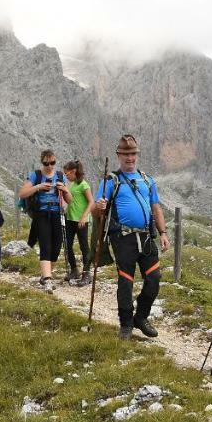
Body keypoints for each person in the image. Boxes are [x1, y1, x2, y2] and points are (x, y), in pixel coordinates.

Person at [95, 135, 168, 339]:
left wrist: (163, 233)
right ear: (119, 155)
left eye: (133, 154)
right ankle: (126, 324)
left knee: (154, 279)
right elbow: (96, 208)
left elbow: (156, 207)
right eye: (126, 154)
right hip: (123, 238)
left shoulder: (147, 180)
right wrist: (98, 207)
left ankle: (141, 317)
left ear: (137, 155)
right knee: (126, 282)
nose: (130, 158)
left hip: (146, 237)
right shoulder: (111, 181)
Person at [18, 149, 71, 289]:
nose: (49, 166)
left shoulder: (60, 176)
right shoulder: (36, 175)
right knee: (45, 245)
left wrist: (64, 189)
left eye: (52, 163)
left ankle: (45, 275)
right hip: (41, 214)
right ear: (42, 162)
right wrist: (38, 187)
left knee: (57, 246)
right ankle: (47, 279)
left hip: (57, 213)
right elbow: (22, 193)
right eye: (46, 163)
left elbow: (70, 200)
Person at [63, 159, 94, 286]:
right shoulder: (73, 184)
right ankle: (74, 270)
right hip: (70, 219)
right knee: (67, 245)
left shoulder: (84, 185)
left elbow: (91, 202)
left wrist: (83, 217)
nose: (66, 176)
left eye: (67, 174)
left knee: (84, 246)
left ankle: (87, 273)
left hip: (81, 220)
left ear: (74, 171)